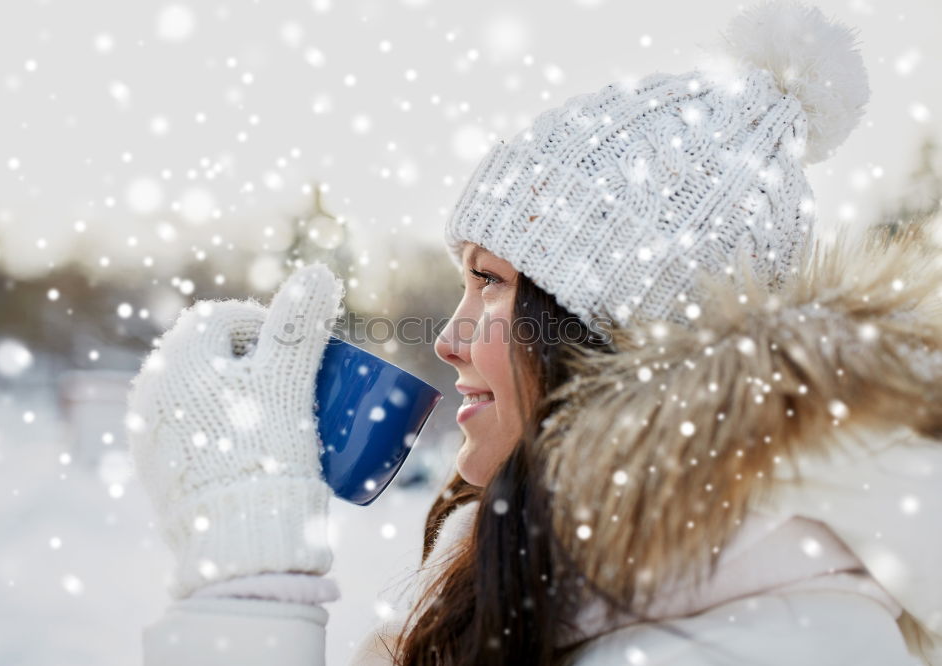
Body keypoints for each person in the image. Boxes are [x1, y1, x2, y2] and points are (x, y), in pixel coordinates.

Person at [126, 1, 942, 663]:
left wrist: (250, 587)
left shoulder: (774, 642)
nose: (448, 340)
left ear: (621, 332)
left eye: (492, 281)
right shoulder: (528, 578)